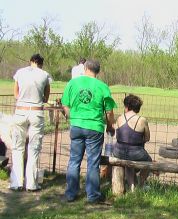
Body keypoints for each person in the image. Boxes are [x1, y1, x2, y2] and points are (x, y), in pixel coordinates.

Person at [61, 59, 116, 203]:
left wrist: (72, 117)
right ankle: (92, 195)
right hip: (94, 127)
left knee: (74, 160)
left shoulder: (73, 83)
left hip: (77, 126)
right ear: (98, 71)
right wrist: (110, 125)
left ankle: (70, 194)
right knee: (93, 162)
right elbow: (109, 112)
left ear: (85, 68)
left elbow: (65, 104)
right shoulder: (102, 86)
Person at [9, 53, 52, 192]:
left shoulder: (20, 73)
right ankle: (31, 183)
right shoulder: (45, 75)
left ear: (30, 61)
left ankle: (16, 182)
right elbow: (46, 97)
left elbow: (15, 94)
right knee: (34, 148)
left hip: (20, 111)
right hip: (36, 112)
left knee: (17, 147)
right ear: (41, 63)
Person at [113, 94, 152, 189]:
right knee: (149, 162)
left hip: (118, 151)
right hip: (135, 152)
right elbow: (147, 138)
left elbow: (117, 135)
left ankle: (132, 187)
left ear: (127, 106)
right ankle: (141, 184)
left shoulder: (119, 118)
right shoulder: (142, 120)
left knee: (128, 164)